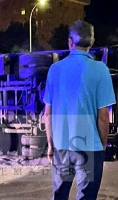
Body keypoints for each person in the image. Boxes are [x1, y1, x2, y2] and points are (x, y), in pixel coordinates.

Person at [43, 20, 116, 200]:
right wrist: (102, 145)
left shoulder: (55, 69)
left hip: (61, 146)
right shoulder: (101, 70)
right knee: (86, 196)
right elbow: (103, 117)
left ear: (70, 42)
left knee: (59, 195)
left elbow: (48, 114)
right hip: (90, 147)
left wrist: (51, 145)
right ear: (91, 43)